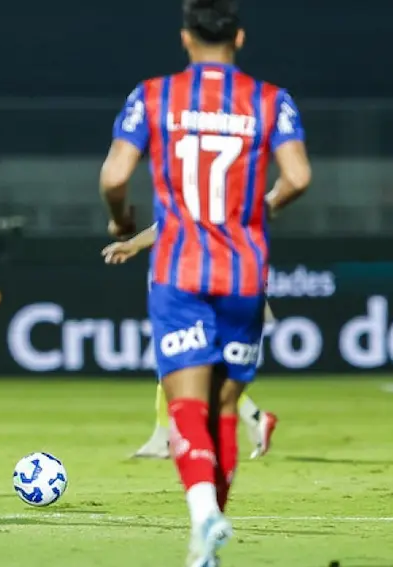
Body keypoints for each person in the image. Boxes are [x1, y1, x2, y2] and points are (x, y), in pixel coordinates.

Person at [98, 0, 311, 564]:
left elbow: (115, 176)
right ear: (238, 38)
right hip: (244, 271)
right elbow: (298, 176)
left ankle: (203, 518)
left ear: (185, 38)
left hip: (180, 270)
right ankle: (206, 545)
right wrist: (263, 207)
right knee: (225, 409)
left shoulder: (154, 96)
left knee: (186, 404)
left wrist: (121, 221)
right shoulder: (271, 100)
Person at [103, 225, 278, 460]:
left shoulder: (202, 217)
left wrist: (133, 244)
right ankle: (164, 438)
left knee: (185, 369)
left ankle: (253, 418)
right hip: (188, 292)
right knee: (178, 369)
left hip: (193, 297)